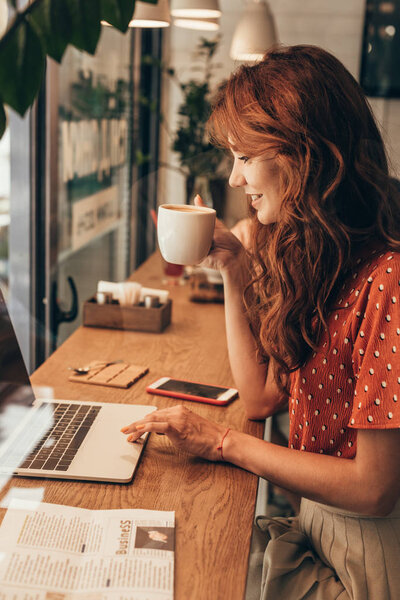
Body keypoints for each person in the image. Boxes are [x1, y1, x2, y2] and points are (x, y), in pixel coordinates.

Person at [121, 45, 400, 599]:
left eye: (245, 157)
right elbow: (260, 399)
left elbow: (374, 489)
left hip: (370, 554)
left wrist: (223, 444)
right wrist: (234, 268)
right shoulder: (321, 256)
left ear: (308, 155)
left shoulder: (387, 278)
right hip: (321, 525)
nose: (233, 178)